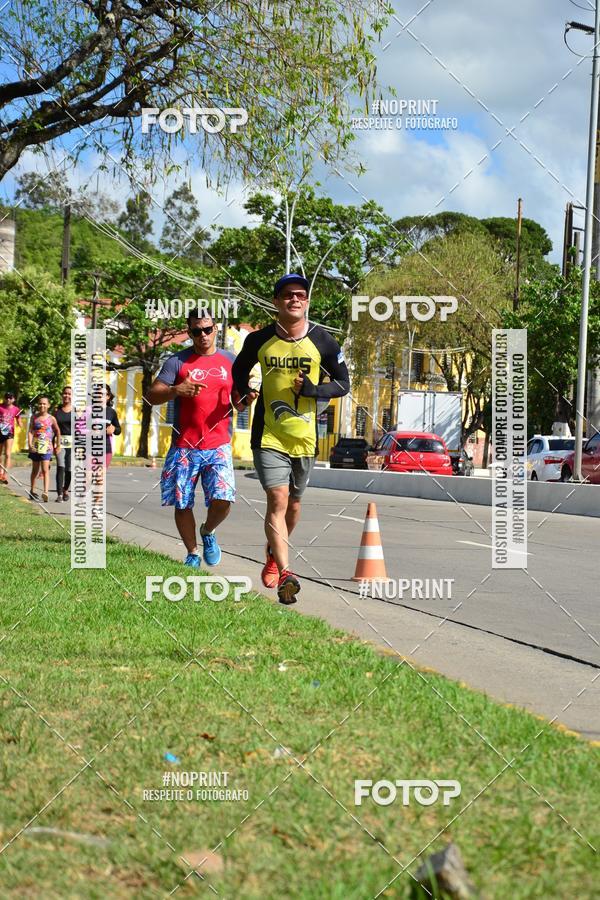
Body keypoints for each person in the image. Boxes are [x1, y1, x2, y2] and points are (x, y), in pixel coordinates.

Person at [232, 273, 350, 604]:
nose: (294, 299)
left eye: (300, 294)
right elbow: (239, 370)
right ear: (276, 301)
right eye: (287, 295)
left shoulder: (324, 341)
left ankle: (272, 555)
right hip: (268, 433)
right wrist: (245, 391)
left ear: (307, 301)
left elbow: (343, 384)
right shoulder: (258, 340)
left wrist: (313, 390)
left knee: (294, 505)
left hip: (305, 437)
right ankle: (286, 572)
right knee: (278, 499)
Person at [146, 309, 243, 567]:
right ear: (189, 333)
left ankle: (208, 531)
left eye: (208, 329)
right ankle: (192, 552)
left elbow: (238, 402)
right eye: (197, 331)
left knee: (224, 500)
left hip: (218, 444)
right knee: (182, 502)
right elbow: (152, 395)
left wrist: (246, 399)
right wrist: (176, 390)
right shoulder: (177, 362)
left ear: (215, 330)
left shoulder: (230, 361)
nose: (203, 335)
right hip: (184, 446)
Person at [28, 396, 60, 502]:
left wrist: (57, 444)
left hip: (47, 448)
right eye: (40, 403)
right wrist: (30, 444)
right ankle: (32, 491)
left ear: (48, 405)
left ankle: (45, 492)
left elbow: (57, 431)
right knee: (35, 470)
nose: (42, 405)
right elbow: (30, 431)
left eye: (44, 404)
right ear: (38, 405)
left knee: (45, 470)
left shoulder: (51, 418)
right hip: (36, 448)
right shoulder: (34, 417)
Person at [53, 386, 72, 501]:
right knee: (61, 466)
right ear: (62, 395)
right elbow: (52, 429)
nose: (67, 396)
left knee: (69, 469)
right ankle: (59, 494)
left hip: (72, 444)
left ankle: (65, 489)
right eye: (65, 393)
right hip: (59, 443)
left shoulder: (77, 411)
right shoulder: (56, 411)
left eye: (69, 394)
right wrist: (52, 444)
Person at [0, 390, 22, 484]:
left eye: (10, 398)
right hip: (0, 432)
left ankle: (5, 474)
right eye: (6, 397)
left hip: (9, 433)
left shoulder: (16, 409)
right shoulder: (0, 407)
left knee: (8, 454)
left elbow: (18, 418)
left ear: (13, 399)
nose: (8, 399)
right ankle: (0, 472)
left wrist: (20, 424)